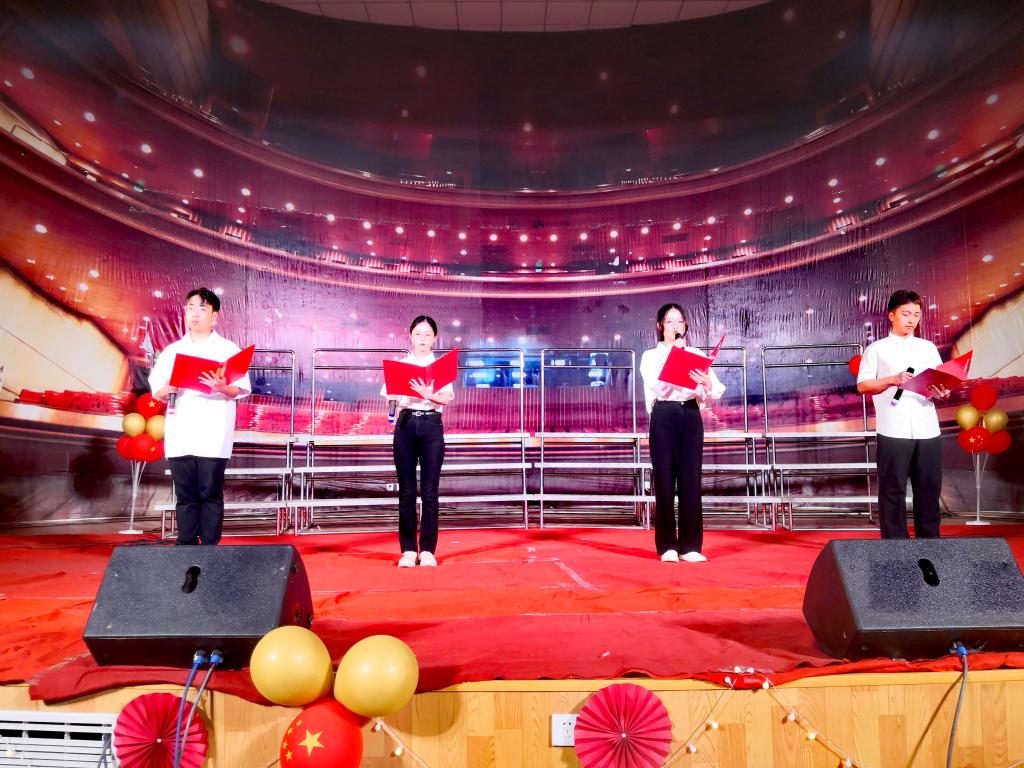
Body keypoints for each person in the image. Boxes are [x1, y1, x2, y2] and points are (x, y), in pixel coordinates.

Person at [149, 288, 250, 544]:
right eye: (190, 308)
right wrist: (166, 390)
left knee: (209, 492)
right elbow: (157, 389)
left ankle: (209, 549)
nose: (195, 314)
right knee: (185, 494)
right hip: (181, 430)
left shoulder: (227, 349)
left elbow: (238, 390)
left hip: (213, 431)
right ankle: (186, 546)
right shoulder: (173, 350)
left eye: (202, 309)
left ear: (214, 316)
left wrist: (221, 387)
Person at [856, 289, 951, 538]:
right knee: (892, 490)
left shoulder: (927, 348)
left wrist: (943, 392)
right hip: (893, 427)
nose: (912, 320)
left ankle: (929, 544)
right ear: (892, 315)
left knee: (929, 489)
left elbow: (940, 381)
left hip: (927, 427)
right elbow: (863, 385)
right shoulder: (877, 349)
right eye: (906, 314)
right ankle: (895, 547)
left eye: (916, 315)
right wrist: (892, 379)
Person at [639, 303, 725, 563]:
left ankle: (691, 546)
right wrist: (675, 358)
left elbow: (715, 390)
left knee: (690, 479)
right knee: (665, 479)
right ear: (660, 326)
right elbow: (658, 388)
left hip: (690, 414)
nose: (676, 326)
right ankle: (667, 545)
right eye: (670, 321)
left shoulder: (695, 353)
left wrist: (706, 382)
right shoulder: (650, 356)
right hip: (664, 414)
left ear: (685, 325)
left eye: (680, 321)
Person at [382, 316, 454, 567]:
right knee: (407, 490)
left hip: (432, 424)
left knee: (430, 490)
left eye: (427, 334)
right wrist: (393, 398)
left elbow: (446, 398)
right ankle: (409, 550)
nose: (422, 338)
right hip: (406, 424)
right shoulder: (400, 365)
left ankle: (428, 550)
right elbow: (390, 401)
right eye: (418, 333)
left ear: (435, 338)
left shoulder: (441, 366)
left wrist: (428, 394)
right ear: (410, 336)